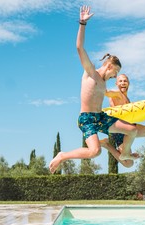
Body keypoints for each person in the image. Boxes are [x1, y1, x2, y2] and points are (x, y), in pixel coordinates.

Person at [49, 6, 139, 174]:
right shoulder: (90, 72)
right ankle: (62, 155)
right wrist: (82, 23)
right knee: (94, 152)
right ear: (110, 66)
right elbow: (79, 48)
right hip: (87, 119)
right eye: (115, 72)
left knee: (132, 130)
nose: (115, 76)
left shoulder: (105, 84)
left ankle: (125, 153)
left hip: (101, 117)